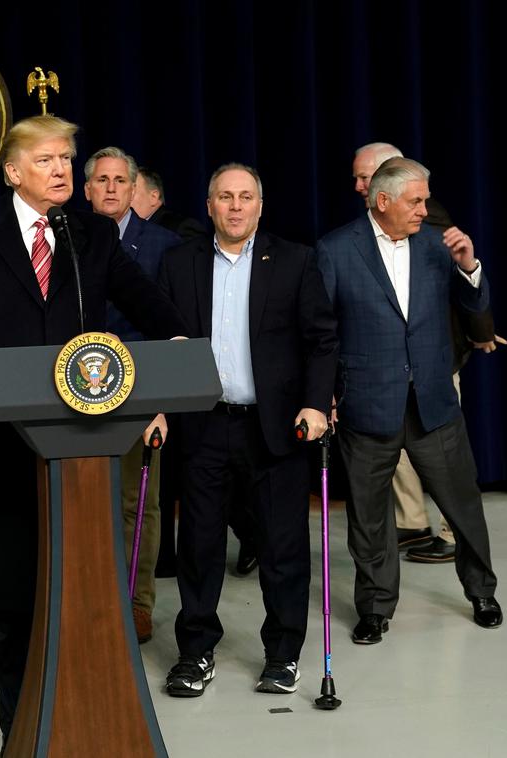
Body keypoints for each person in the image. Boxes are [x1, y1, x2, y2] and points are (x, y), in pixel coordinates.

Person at [0, 115, 185, 743]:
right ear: (13, 171)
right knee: (4, 598)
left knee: (76, 592)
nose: (62, 170)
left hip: (80, 449)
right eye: (47, 160)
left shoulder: (89, 233)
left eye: (67, 158)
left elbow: (141, 297)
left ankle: (76, 721)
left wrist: (176, 345)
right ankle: (20, 723)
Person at [151, 163, 337, 697]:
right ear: (209, 205)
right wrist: (158, 406)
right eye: (225, 197)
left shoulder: (295, 261)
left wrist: (315, 404)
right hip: (203, 425)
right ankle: (195, 653)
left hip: (275, 427)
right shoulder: (178, 262)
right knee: (200, 545)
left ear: (260, 205)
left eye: (246, 197)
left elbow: (321, 340)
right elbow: (163, 341)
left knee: (282, 548)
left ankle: (282, 655)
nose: (235, 207)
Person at [317, 157, 502, 644]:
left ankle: (482, 591)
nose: (424, 209)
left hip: (433, 405)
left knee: (463, 507)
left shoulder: (437, 248)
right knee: (369, 518)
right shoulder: (336, 250)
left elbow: (474, 315)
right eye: (415, 200)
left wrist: (470, 268)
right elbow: (323, 333)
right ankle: (376, 607)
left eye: (424, 199)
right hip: (366, 406)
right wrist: (325, 396)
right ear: (383, 201)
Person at [350, 143, 501, 563]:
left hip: (433, 362)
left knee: (445, 458)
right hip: (387, 370)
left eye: (365, 176)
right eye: (359, 178)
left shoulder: (425, 220)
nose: (359, 185)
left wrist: (481, 331)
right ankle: (413, 524)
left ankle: (454, 536)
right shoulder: (359, 233)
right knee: (397, 454)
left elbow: (454, 286)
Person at [83, 146, 182, 643]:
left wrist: (160, 400)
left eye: (121, 180)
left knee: (137, 503)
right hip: (74, 391)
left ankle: (136, 604)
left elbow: (169, 327)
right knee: (82, 504)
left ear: (135, 187)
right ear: (87, 190)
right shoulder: (65, 239)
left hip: (140, 397)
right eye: (102, 180)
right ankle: (89, 600)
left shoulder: (164, 245)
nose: (111, 188)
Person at [132, 166, 208, 240]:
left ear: (153, 197)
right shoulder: (126, 231)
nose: (126, 198)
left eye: (132, 192)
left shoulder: (181, 228)